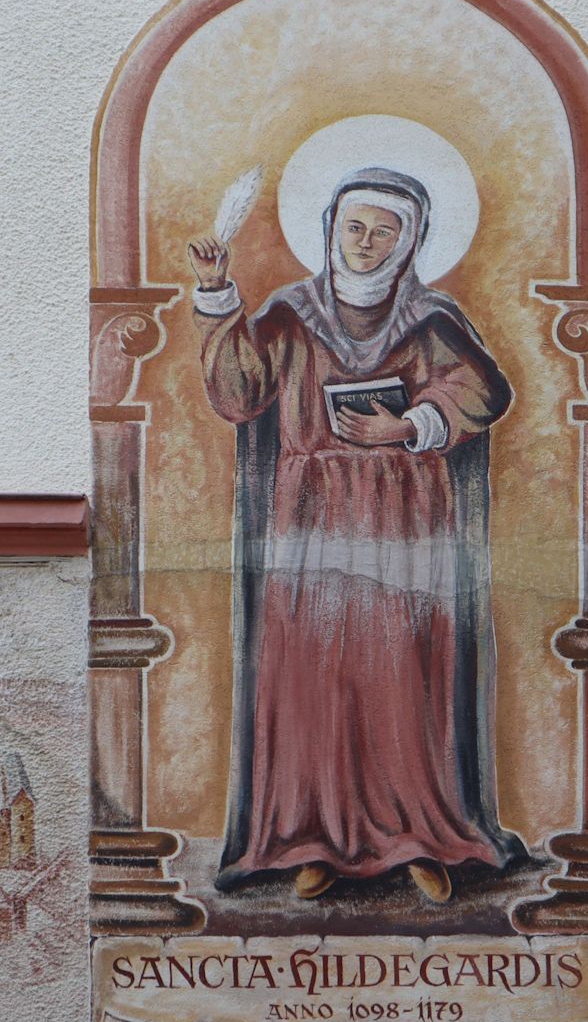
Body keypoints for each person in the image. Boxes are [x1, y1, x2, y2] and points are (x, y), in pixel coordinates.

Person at [191, 166, 525, 904]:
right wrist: (219, 296)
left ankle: (419, 836)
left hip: (405, 511)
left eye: (384, 230)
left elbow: (482, 390)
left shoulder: (430, 318)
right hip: (310, 515)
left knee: (403, 674)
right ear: (330, 228)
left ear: (409, 241)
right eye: (355, 226)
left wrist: (407, 425)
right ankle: (313, 838)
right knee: (314, 673)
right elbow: (239, 392)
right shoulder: (290, 314)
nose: (367, 243)